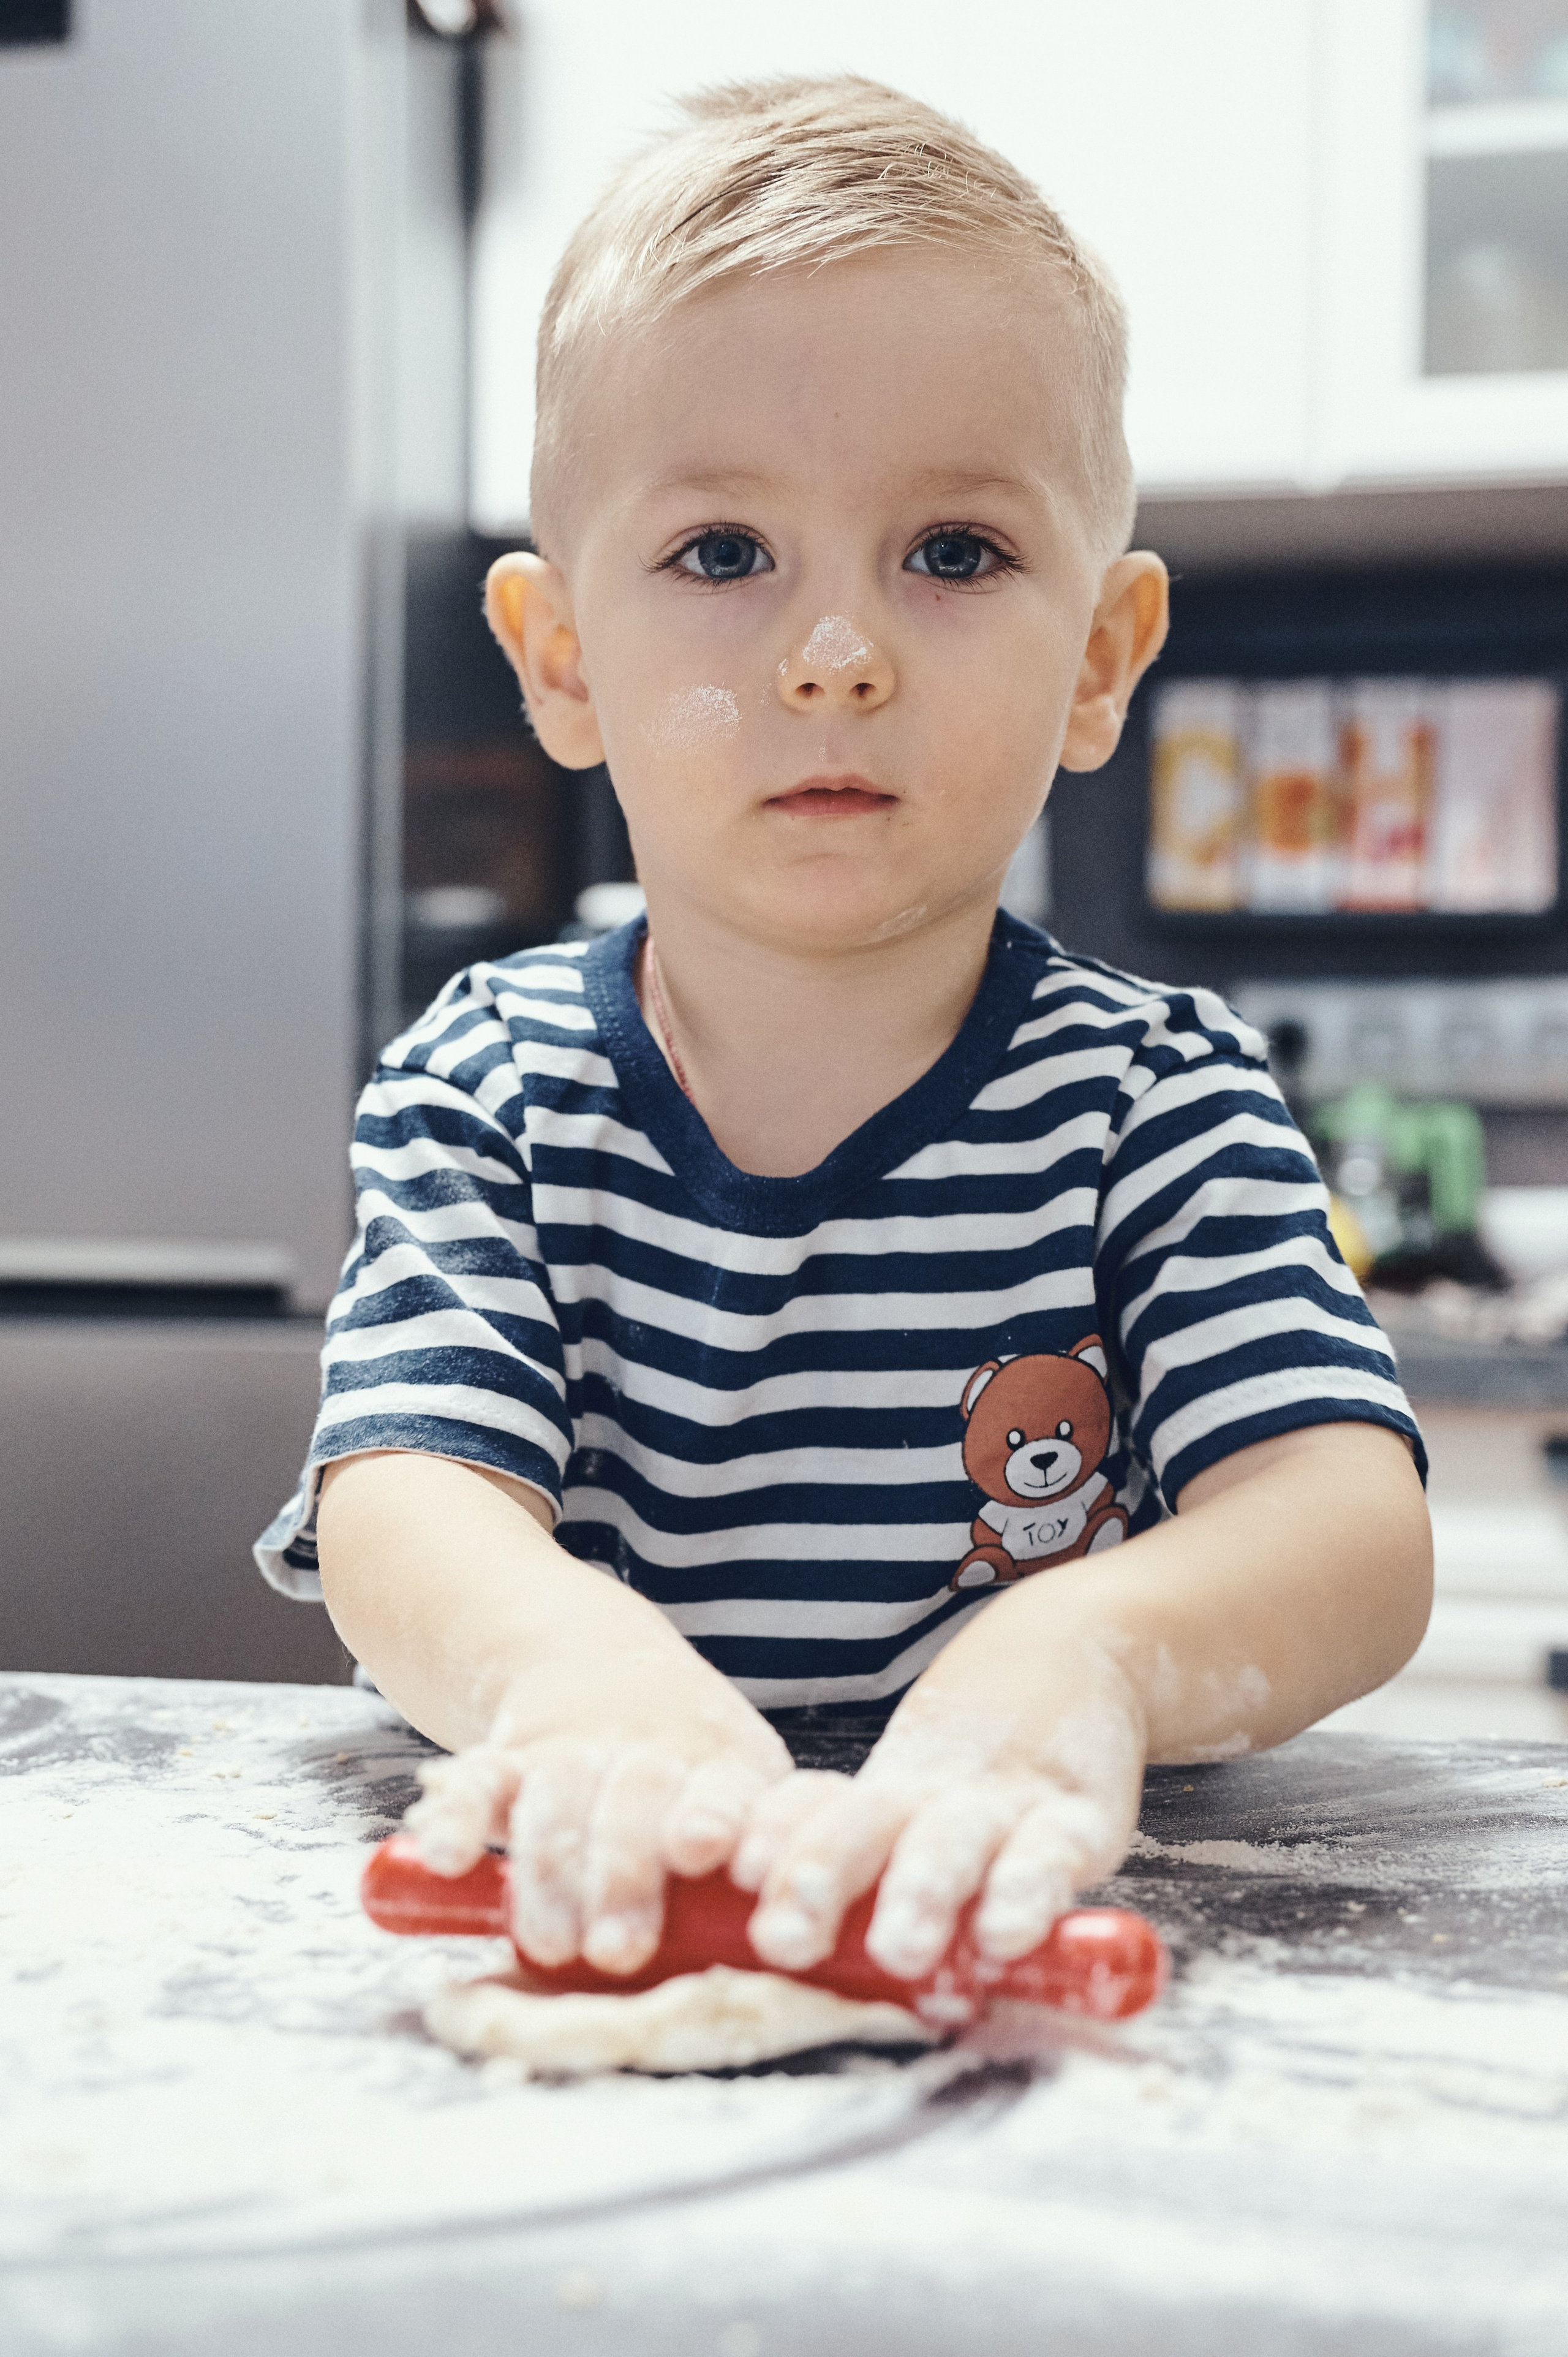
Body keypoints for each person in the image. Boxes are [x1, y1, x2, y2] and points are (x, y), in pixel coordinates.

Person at [257, 76, 1431, 1991]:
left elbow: (1348, 1520)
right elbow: (405, 1497)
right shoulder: (489, 1089)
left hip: (1029, 1936)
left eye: (953, 553)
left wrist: (1080, 1653)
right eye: (724, 552)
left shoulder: (1156, 1102)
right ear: (562, 660)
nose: (836, 655)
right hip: (603, 1912)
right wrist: (572, 1681)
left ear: (1102, 659)